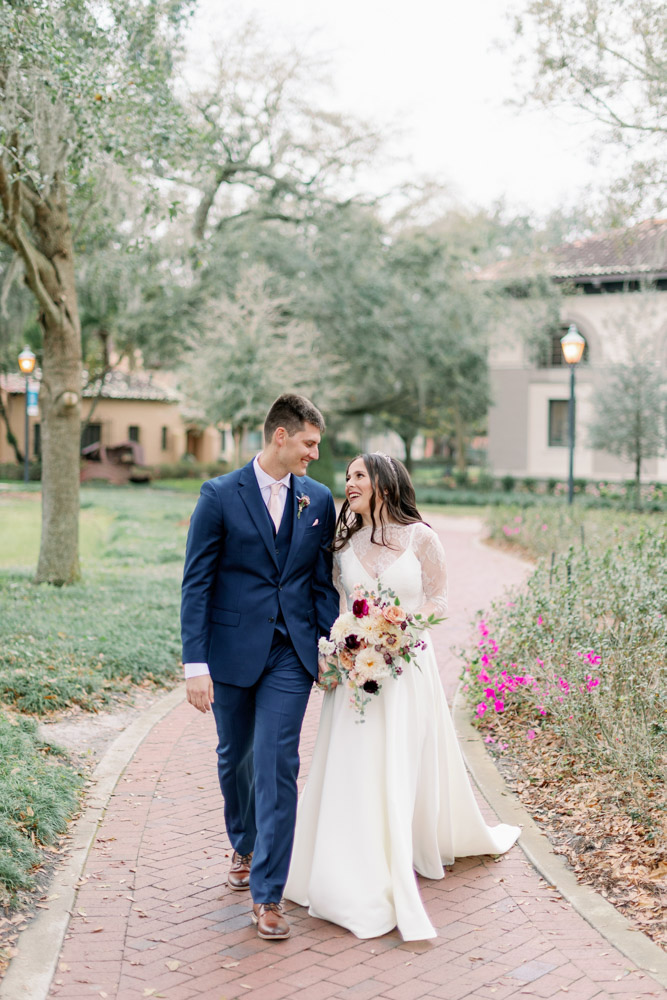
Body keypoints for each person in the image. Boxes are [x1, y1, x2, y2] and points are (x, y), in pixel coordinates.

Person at [284, 453, 521, 941]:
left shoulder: (422, 538)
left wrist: (401, 629)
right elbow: (329, 600)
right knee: (355, 762)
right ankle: (352, 856)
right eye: (347, 476)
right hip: (356, 671)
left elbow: (439, 598)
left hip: (408, 666)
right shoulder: (342, 541)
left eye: (358, 476)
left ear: (385, 485)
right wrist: (341, 641)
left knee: (402, 758)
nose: (349, 483)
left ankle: (405, 841)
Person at [180, 394, 339, 941]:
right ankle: (243, 841)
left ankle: (268, 893)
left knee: (278, 760)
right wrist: (194, 662)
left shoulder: (318, 500)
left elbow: (322, 583)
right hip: (230, 651)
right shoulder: (220, 495)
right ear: (280, 436)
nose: (315, 455)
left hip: (290, 652)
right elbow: (196, 583)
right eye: (309, 443)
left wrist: (328, 648)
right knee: (235, 756)